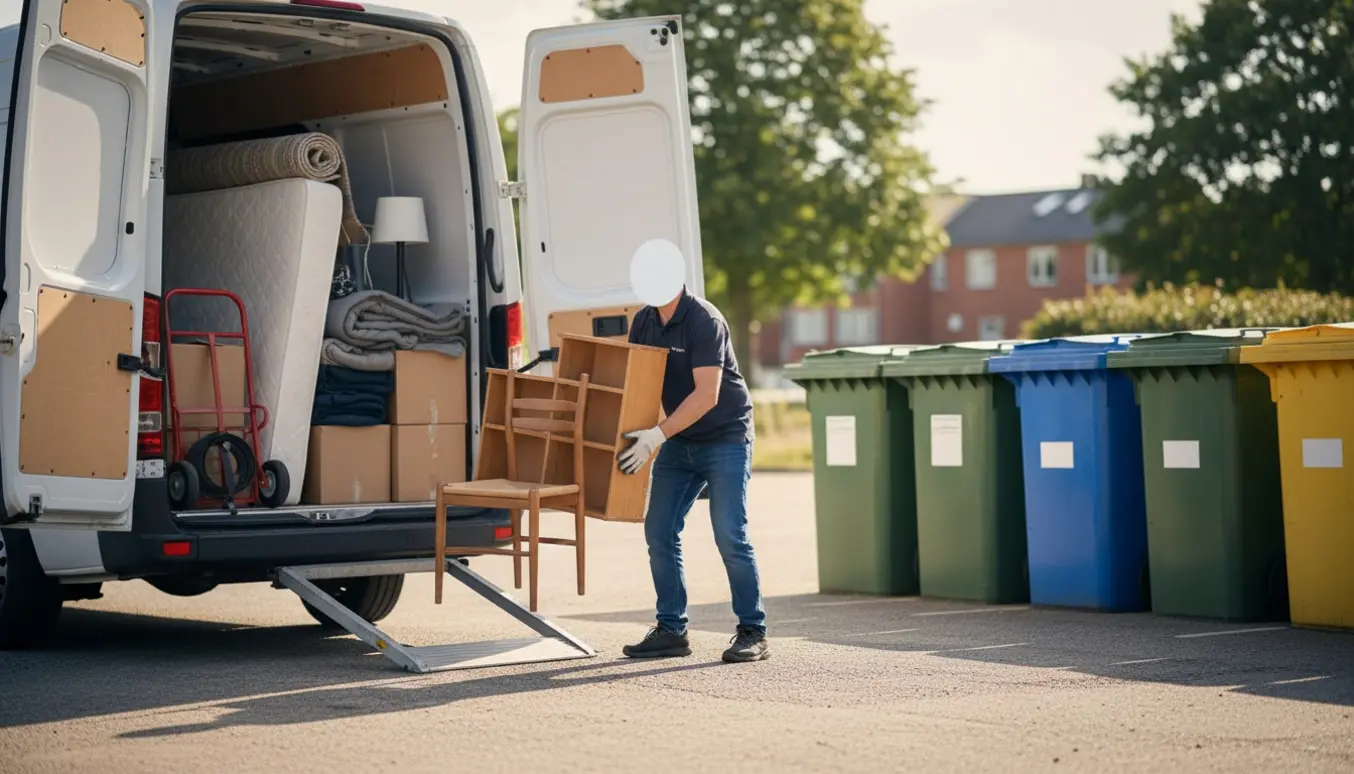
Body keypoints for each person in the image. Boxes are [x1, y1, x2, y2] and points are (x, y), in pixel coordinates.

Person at [616, 284, 769, 663]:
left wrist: (656, 436)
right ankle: (671, 630)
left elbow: (707, 395)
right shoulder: (644, 321)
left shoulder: (704, 320)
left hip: (726, 437)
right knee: (659, 530)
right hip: (679, 440)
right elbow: (640, 386)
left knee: (730, 534)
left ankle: (753, 631)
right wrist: (630, 435)